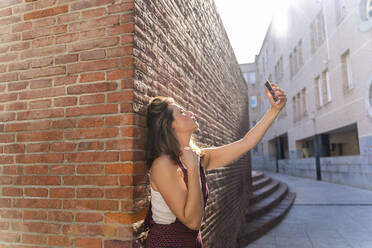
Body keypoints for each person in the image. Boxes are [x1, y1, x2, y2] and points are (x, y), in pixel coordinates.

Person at [134, 82, 287, 247]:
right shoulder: (163, 164)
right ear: (170, 124)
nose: (191, 113)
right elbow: (192, 222)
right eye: (182, 112)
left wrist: (274, 110)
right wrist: (192, 169)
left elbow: (246, 143)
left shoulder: (197, 157)